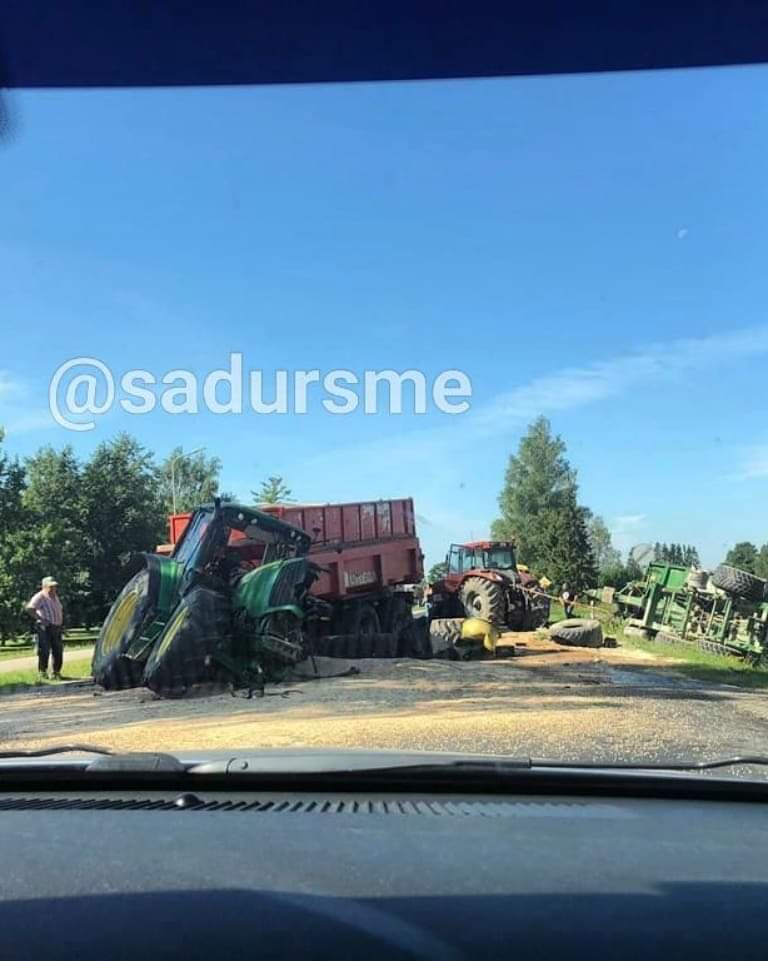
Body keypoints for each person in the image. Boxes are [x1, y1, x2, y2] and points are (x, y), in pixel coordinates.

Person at [26, 576, 64, 681]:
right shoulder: (40, 596)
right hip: (45, 627)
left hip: (56, 627)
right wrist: (41, 619)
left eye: (54, 586)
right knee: (44, 650)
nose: (53, 588)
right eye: (51, 587)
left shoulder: (55, 597)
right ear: (44, 586)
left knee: (58, 650)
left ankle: (56, 673)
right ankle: (43, 672)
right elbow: (30, 608)